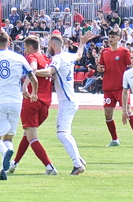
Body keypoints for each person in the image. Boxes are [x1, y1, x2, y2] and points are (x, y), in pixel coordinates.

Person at [0, 31, 38, 180]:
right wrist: (34, 92)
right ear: (9, 43)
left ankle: (5, 153)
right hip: (16, 102)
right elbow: (33, 78)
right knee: (9, 138)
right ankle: (3, 170)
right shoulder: (18, 57)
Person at [37, 33, 92, 175]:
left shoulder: (58, 58)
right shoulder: (68, 56)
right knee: (66, 133)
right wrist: (82, 43)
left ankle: (77, 164)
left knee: (62, 134)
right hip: (70, 99)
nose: (48, 48)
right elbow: (79, 55)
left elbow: (49, 71)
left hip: (67, 101)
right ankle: (78, 159)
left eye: (49, 45)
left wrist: (32, 72)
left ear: (53, 46)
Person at [8, 35, 57, 175]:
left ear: (30, 47)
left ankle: (49, 166)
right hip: (45, 104)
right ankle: (15, 163)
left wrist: (25, 86)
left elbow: (33, 70)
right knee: (28, 134)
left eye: (25, 48)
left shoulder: (32, 57)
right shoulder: (47, 59)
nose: (25, 51)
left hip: (32, 101)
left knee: (32, 137)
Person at [96, 28, 133, 147]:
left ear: (118, 38)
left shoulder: (124, 52)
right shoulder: (104, 52)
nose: (110, 40)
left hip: (121, 88)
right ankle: (115, 139)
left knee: (127, 111)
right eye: (109, 37)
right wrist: (99, 69)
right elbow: (101, 66)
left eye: (113, 37)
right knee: (107, 114)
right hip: (108, 88)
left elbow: (130, 66)